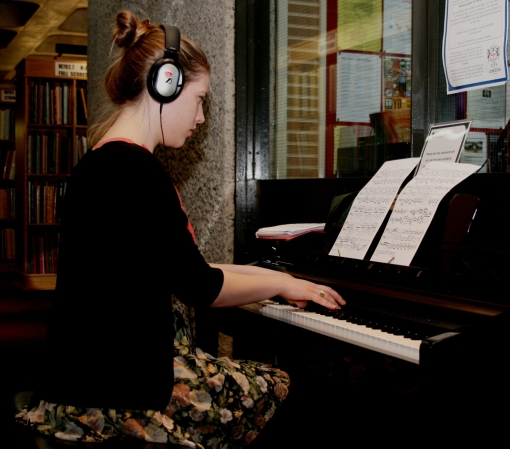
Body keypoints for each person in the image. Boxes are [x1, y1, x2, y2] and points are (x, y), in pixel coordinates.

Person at [16, 10, 344, 448]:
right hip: (123, 395)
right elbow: (201, 286)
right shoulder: (138, 172)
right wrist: (281, 283)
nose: (202, 117)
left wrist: (275, 279)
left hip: (81, 381)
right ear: (164, 85)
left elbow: (181, 265)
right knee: (282, 385)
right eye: (199, 98)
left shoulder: (99, 163)